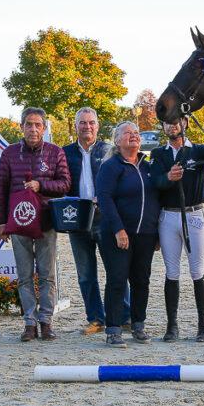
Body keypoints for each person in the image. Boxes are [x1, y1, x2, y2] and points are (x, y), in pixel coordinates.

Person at [150, 116, 204, 342]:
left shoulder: (198, 150)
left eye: (175, 121)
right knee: (171, 271)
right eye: (167, 122)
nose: (171, 126)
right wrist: (168, 177)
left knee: (197, 270)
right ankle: (172, 326)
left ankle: (203, 325)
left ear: (184, 123)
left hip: (194, 214)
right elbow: (154, 183)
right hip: (168, 216)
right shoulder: (159, 154)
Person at [0, 107, 71, 342]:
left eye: (38, 124)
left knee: (47, 275)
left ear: (45, 128)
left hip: (47, 222)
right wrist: (1, 222)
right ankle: (29, 322)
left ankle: (46, 321)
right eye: (29, 124)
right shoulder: (9, 154)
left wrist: (41, 185)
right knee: (25, 275)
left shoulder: (55, 152)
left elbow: (65, 184)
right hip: (19, 224)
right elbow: (1, 188)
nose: (33, 129)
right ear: (21, 127)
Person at [62, 107, 129, 335]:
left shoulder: (110, 150)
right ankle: (96, 318)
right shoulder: (66, 153)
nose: (87, 127)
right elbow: (62, 183)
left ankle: (124, 316)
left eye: (91, 123)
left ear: (97, 126)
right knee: (85, 274)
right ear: (76, 126)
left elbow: (121, 181)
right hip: (78, 220)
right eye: (83, 123)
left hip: (105, 218)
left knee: (116, 270)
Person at [95, 122, 160, 348]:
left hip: (146, 233)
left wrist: (157, 232)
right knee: (117, 280)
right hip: (118, 234)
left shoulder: (147, 165)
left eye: (136, 133)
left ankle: (138, 325)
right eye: (128, 133)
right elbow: (104, 198)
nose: (133, 136)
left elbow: (156, 199)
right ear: (118, 140)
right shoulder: (111, 166)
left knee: (142, 280)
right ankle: (113, 329)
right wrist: (118, 229)